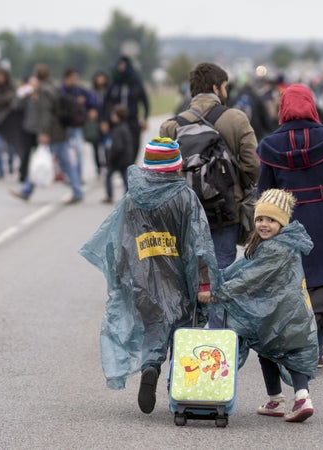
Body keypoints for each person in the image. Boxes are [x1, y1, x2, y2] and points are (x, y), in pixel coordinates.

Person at [80, 137, 217, 415]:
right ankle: (181, 388)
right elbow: (199, 243)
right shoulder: (185, 197)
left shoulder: (133, 199)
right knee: (182, 328)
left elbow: (121, 240)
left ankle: (150, 367)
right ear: (176, 167)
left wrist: (120, 275)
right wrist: (204, 282)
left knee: (154, 327)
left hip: (142, 278)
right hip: (180, 277)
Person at [256, 83, 323, 369]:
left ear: (283, 107)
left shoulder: (270, 144)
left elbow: (265, 191)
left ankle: (292, 345)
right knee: (321, 282)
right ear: (312, 105)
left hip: (286, 220)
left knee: (288, 282)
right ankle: (317, 348)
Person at [211, 189, 318, 422]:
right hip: (278, 312)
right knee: (270, 351)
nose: (264, 224)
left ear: (282, 222)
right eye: (260, 219)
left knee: (290, 353)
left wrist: (221, 290)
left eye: (271, 220)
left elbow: (250, 276)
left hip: (284, 313)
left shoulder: (278, 248)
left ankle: (300, 398)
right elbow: (243, 268)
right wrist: (220, 276)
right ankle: (279, 399)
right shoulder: (273, 244)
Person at [160, 62, 260, 270]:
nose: (226, 91)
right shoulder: (236, 118)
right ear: (216, 88)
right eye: (225, 87)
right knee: (222, 268)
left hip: (187, 209)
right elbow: (253, 163)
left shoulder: (171, 126)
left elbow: (162, 172)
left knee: (191, 268)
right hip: (227, 207)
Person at [11, 63, 83, 204]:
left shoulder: (44, 91)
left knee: (40, 161)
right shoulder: (54, 87)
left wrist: (44, 133)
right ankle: (77, 190)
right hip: (60, 130)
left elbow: (46, 114)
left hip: (52, 133)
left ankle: (26, 190)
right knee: (66, 163)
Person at [102, 56, 150, 162]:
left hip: (132, 119)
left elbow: (145, 102)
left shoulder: (135, 81)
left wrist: (145, 118)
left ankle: (130, 165)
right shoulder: (113, 82)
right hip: (115, 120)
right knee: (115, 145)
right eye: (118, 65)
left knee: (133, 144)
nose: (120, 68)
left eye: (122, 65)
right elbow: (106, 102)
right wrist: (104, 120)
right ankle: (115, 166)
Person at [62, 68, 97, 182]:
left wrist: (90, 108)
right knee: (65, 154)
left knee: (78, 152)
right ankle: (68, 176)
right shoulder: (61, 90)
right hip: (64, 126)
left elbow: (92, 99)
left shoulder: (80, 90)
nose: (75, 81)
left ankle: (78, 175)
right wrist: (75, 101)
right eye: (73, 78)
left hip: (77, 126)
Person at [102, 105, 133, 203]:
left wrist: (111, 158)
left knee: (109, 176)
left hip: (118, 159)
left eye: (113, 114)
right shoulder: (125, 127)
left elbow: (117, 147)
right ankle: (128, 196)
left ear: (117, 116)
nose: (111, 116)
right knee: (125, 178)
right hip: (125, 158)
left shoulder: (118, 130)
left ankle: (110, 195)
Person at [84, 70, 109, 176]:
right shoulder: (91, 92)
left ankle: (107, 164)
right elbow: (87, 105)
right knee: (95, 145)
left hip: (105, 120)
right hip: (95, 122)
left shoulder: (108, 91)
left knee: (107, 144)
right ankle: (98, 166)